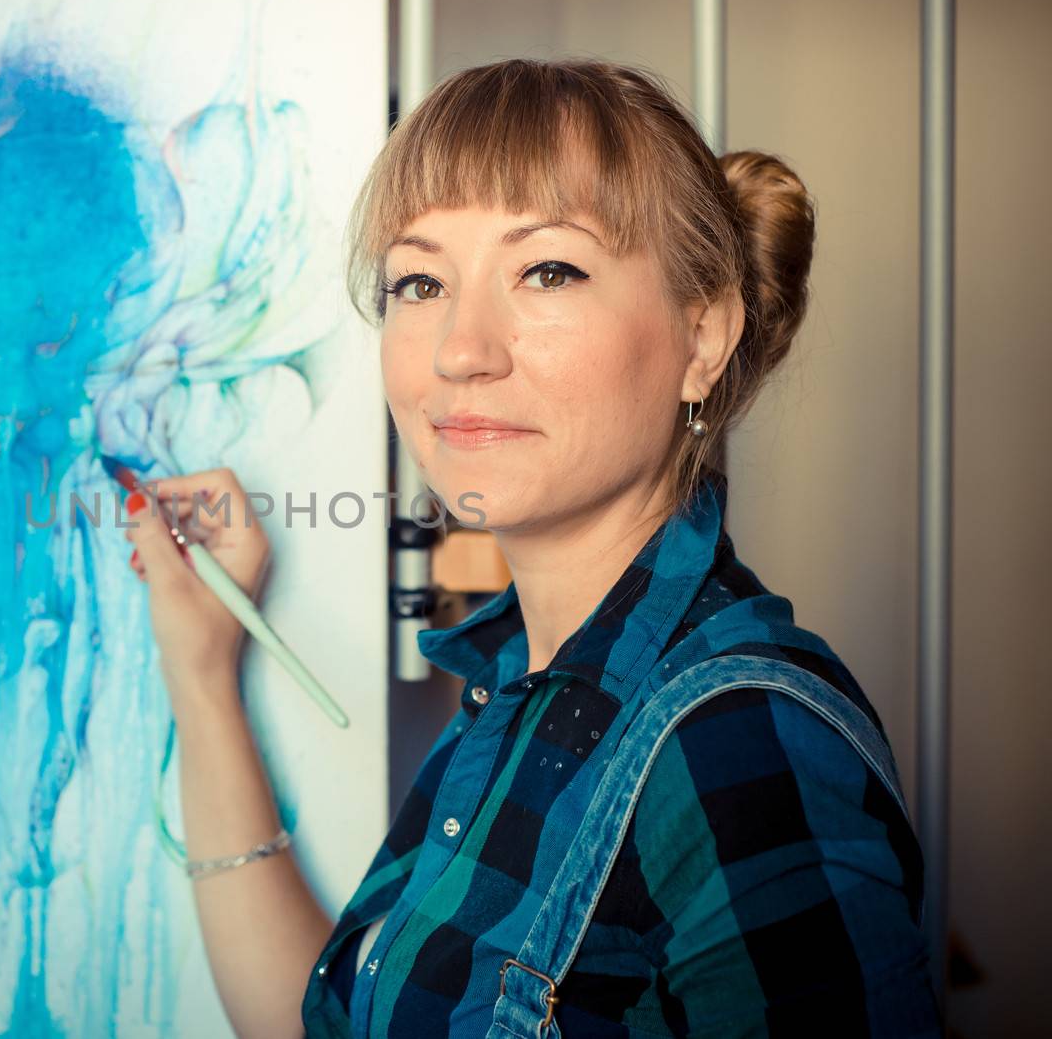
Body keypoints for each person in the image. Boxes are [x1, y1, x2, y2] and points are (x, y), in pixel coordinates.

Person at [121, 57, 940, 1038]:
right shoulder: (520, 687)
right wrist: (202, 673)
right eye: (418, 282)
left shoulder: (740, 743)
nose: (461, 349)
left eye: (547, 270)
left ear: (702, 334)